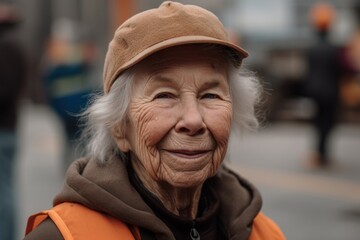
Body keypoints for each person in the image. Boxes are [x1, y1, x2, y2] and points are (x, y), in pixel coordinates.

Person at [24, 2, 285, 239]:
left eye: (210, 95)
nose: (193, 120)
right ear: (119, 127)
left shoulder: (264, 234)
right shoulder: (66, 236)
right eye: (164, 96)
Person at [304, 2, 342, 168]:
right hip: (330, 91)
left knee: (319, 123)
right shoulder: (334, 49)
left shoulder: (312, 48)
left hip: (315, 91)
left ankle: (319, 154)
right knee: (327, 123)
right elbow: (340, 69)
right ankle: (322, 154)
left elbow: (309, 70)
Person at [0, 4, 26, 240]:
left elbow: (4, 91)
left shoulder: (6, 48)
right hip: (8, 129)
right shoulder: (13, 47)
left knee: (3, 193)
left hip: (4, 131)